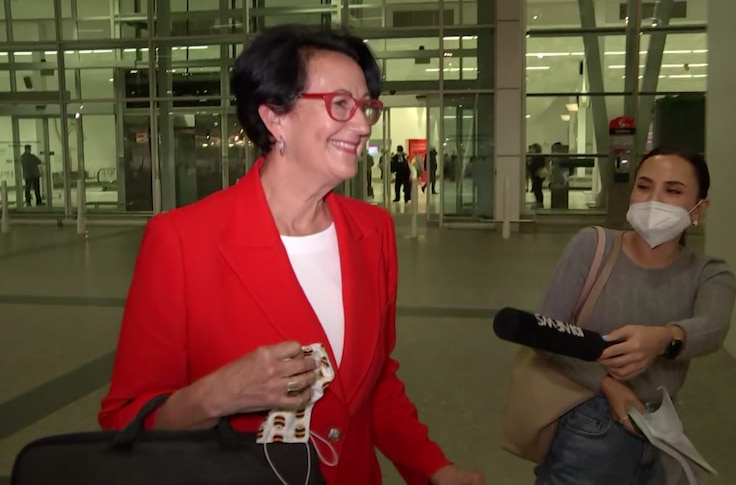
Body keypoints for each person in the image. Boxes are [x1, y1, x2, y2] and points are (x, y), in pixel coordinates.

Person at [99, 25, 483, 485]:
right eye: (340, 104)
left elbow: (373, 381)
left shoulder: (373, 231)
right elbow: (125, 419)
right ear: (275, 118)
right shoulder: (182, 241)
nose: (361, 124)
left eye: (366, 107)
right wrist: (216, 395)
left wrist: (432, 466)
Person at [533, 147, 736, 484]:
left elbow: (713, 327)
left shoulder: (709, 273)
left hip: (662, 430)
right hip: (590, 423)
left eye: (673, 190)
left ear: (699, 208)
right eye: (644, 186)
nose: (653, 200)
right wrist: (607, 384)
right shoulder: (592, 246)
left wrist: (663, 338)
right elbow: (545, 331)